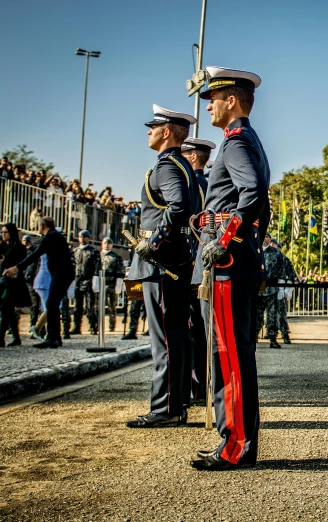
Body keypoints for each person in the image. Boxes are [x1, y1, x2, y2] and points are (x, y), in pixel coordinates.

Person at [189, 67, 270, 470]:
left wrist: (224, 240)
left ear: (232, 101)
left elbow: (253, 192)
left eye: (213, 98)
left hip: (228, 264)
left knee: (230, 356)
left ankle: (236, 446)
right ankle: (233, 439)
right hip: (235, 260)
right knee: (231, 354)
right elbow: (259, 203)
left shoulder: (236, 143)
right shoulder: (243, 141)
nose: (208, 105)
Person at [125, 104, 197, 429]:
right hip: (173, 259)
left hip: (161, 262)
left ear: (166, 131)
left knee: (165, 338)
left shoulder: (166, 167)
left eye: (152, 126)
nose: (148, 131)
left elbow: (179, 205)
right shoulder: (180, 165)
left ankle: (166, 409)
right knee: (174, 335)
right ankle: (175, 404)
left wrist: (153, 242)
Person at [4, 217, 75, 348]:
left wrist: (16, 268)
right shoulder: (56, 236)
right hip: (63, 273)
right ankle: (55, 338)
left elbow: (35, 254)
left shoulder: (50, 236)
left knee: (51, 303)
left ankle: (53, 338)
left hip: (61, 273)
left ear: (42, 225)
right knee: (53, 303)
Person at [181, 137, 215, 403]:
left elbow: (186, 226)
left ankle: (197, 386)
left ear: (193, 157)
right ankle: (205, 386)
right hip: (203, 260)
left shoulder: (189, 183)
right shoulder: (209, 183)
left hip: (191, 261)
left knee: (194, 329)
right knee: (204, 329)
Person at [0, 223, 31, 347]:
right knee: (8, 309)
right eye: (1, 232)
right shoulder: (2, 246)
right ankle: (15, 336)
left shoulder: (19, 247)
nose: (3, 235)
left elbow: (20, 262)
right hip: (2, 282)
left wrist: (5, 261)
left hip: (13, 282)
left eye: (5, 232)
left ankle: (0, 336)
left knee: (6, 308)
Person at [257, 232, 284, 348]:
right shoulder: (255, 251)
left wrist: (282, 287)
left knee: (272, 316)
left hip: (272, 289)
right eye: (263, 236)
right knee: (256, 316)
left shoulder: (276, 253)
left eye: (267, 237)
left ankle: (273, 338)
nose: (264, 239)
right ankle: (253, 338)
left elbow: (281, 270)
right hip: (257, 289)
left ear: (270, 239)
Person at [72, 230, 99, 335]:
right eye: (80, 237)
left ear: (88, 238)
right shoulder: (75, 251)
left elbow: (97, 267)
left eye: (84, 237)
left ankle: (93, 326)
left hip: (88, 280)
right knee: (77, 306)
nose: (82, 239)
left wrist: (95, 280)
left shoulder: (93, 251)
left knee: (90, 306)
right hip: (77, 279)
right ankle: (76, 326)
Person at [271, 238, 296, 344]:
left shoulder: (283, 259)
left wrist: (287, 287)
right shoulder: (263, 255)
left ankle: (285, 334)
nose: (272, 245)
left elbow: (291, 274)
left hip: (280, 288)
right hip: (268, 289)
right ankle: (268, 334)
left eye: (274, 244)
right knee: (268, 314)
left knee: (281, 314)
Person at [100, 237, 125, 332]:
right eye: (105, 243)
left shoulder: (116, 257)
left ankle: (111, 325)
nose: (106, 245)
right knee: (97, 306)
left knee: (112, 306)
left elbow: (120, 271)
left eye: (109, 243)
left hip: (111, 284)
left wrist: (118, 284)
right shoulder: (98, 256)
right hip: (101, 283)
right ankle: (96, 325)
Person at [21, 234, 41, 330]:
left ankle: (35, 325)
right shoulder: (21, 253)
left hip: (33, 280)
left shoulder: (34, 252)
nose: (25, 243)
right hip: (24, 280)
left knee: (36, 304)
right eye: (23, 241)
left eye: (27, 241)